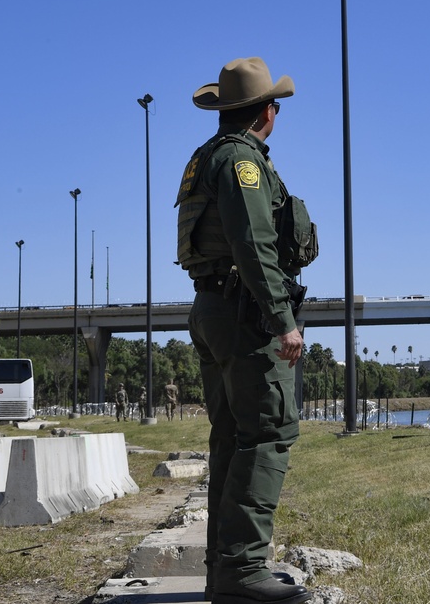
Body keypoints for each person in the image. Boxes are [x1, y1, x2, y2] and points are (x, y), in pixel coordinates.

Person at [176, 57, 317, 604]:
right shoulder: (242, 162)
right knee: (268, 434)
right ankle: (242, 572)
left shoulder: (205, 156)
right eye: (276, 105)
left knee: (233, 439)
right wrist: (283, 321)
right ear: (267, 111)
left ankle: (225, 570)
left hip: (214, 307)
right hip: (243, 315)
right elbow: (254, 245)